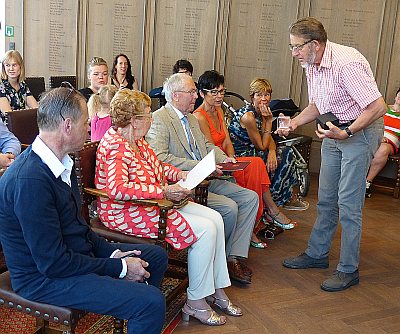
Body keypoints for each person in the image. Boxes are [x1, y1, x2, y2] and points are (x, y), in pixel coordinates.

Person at [0, 86, 168, 334]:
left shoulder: (58, 163)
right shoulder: (30, 181)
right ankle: (138, 305)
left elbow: (80, 229)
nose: (89, 129)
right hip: (41, 279)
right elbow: (53, 264)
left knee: (155, 256)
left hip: (66, 257)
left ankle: (132, 307)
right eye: (86, 123)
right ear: (67, 126)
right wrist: (120, 268)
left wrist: (113, 254)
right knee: (151, 303)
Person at [95, 89, 241, 326]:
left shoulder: (137, 142)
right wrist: (163, 191)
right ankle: (195, 301)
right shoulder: (115, 145)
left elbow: (159, 167)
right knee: (204, 230)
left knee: (215, 219)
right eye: (147, 115)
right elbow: (117, 188)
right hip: (124, 212)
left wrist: (185, 174)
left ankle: (214, 288)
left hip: (152, 204)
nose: (151, 119)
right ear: (133, 121)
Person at [280, 17, 387, 292]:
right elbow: (318, 104)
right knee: (326, 198)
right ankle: (317, 254)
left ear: (315, 44)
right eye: (291, 47)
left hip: (358, 132)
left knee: (349, 205)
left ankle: (348, 269)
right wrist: (294, 123)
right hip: (334, 130)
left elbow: (377, 106)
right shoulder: (311, 63)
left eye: (297, 47)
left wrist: (348, 132)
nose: (294, 54)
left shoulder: (346, 64)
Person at [146, 73, 259, 285]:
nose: (195, 96)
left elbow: (207, 147)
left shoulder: (190, 118)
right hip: (184, 184)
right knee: (229, 208)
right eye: (191, 92)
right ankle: (214, 260)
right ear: (176, 95)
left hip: (207, 178)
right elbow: (160, 159)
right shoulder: (159, 119)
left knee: (250, 198)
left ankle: (232, 257)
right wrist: (201, 167)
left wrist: (226, 161)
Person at [194, 70, 294, 248]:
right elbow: (210, 147)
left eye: (222, 91)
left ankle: (259, 219)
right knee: (256, 163)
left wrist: (231, 156)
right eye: (214, 92)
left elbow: (226, 139)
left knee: (257, 163)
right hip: (214, 163)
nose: (219, 96)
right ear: (202, 93)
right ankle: (265, 216)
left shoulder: (218, 110)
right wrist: (229, 159)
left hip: (229, 158)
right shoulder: (199, 116)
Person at [228, 78, 309, 213]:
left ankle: (278, 197)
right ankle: (276, 198)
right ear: (252, 97)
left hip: (256, 149)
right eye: (259, 95)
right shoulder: (248, 116)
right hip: (241, 155)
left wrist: (272, 151)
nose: (264, 99)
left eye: (266, 94)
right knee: (286, 155)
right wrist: (268, 121)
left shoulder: (262, 112)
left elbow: (269, 138)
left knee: (287, 152)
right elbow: (261, 145)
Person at [365, 87, 400, 197]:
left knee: (383, 148)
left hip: (391, 142)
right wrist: (379, 136)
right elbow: (371, 123)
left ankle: (366, 184)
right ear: (396, 95)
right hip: (375, 136)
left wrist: (384, 139)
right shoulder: (383, 108)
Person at [0, 50, 38, 118]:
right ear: (4, 67)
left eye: (14, 65)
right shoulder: (1, 86)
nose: (11, 69)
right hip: (5, 126)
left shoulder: (22, 84)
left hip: (20, 122)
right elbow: (9, 115)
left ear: (20, 66)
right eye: (7, 65)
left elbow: (36, 108)